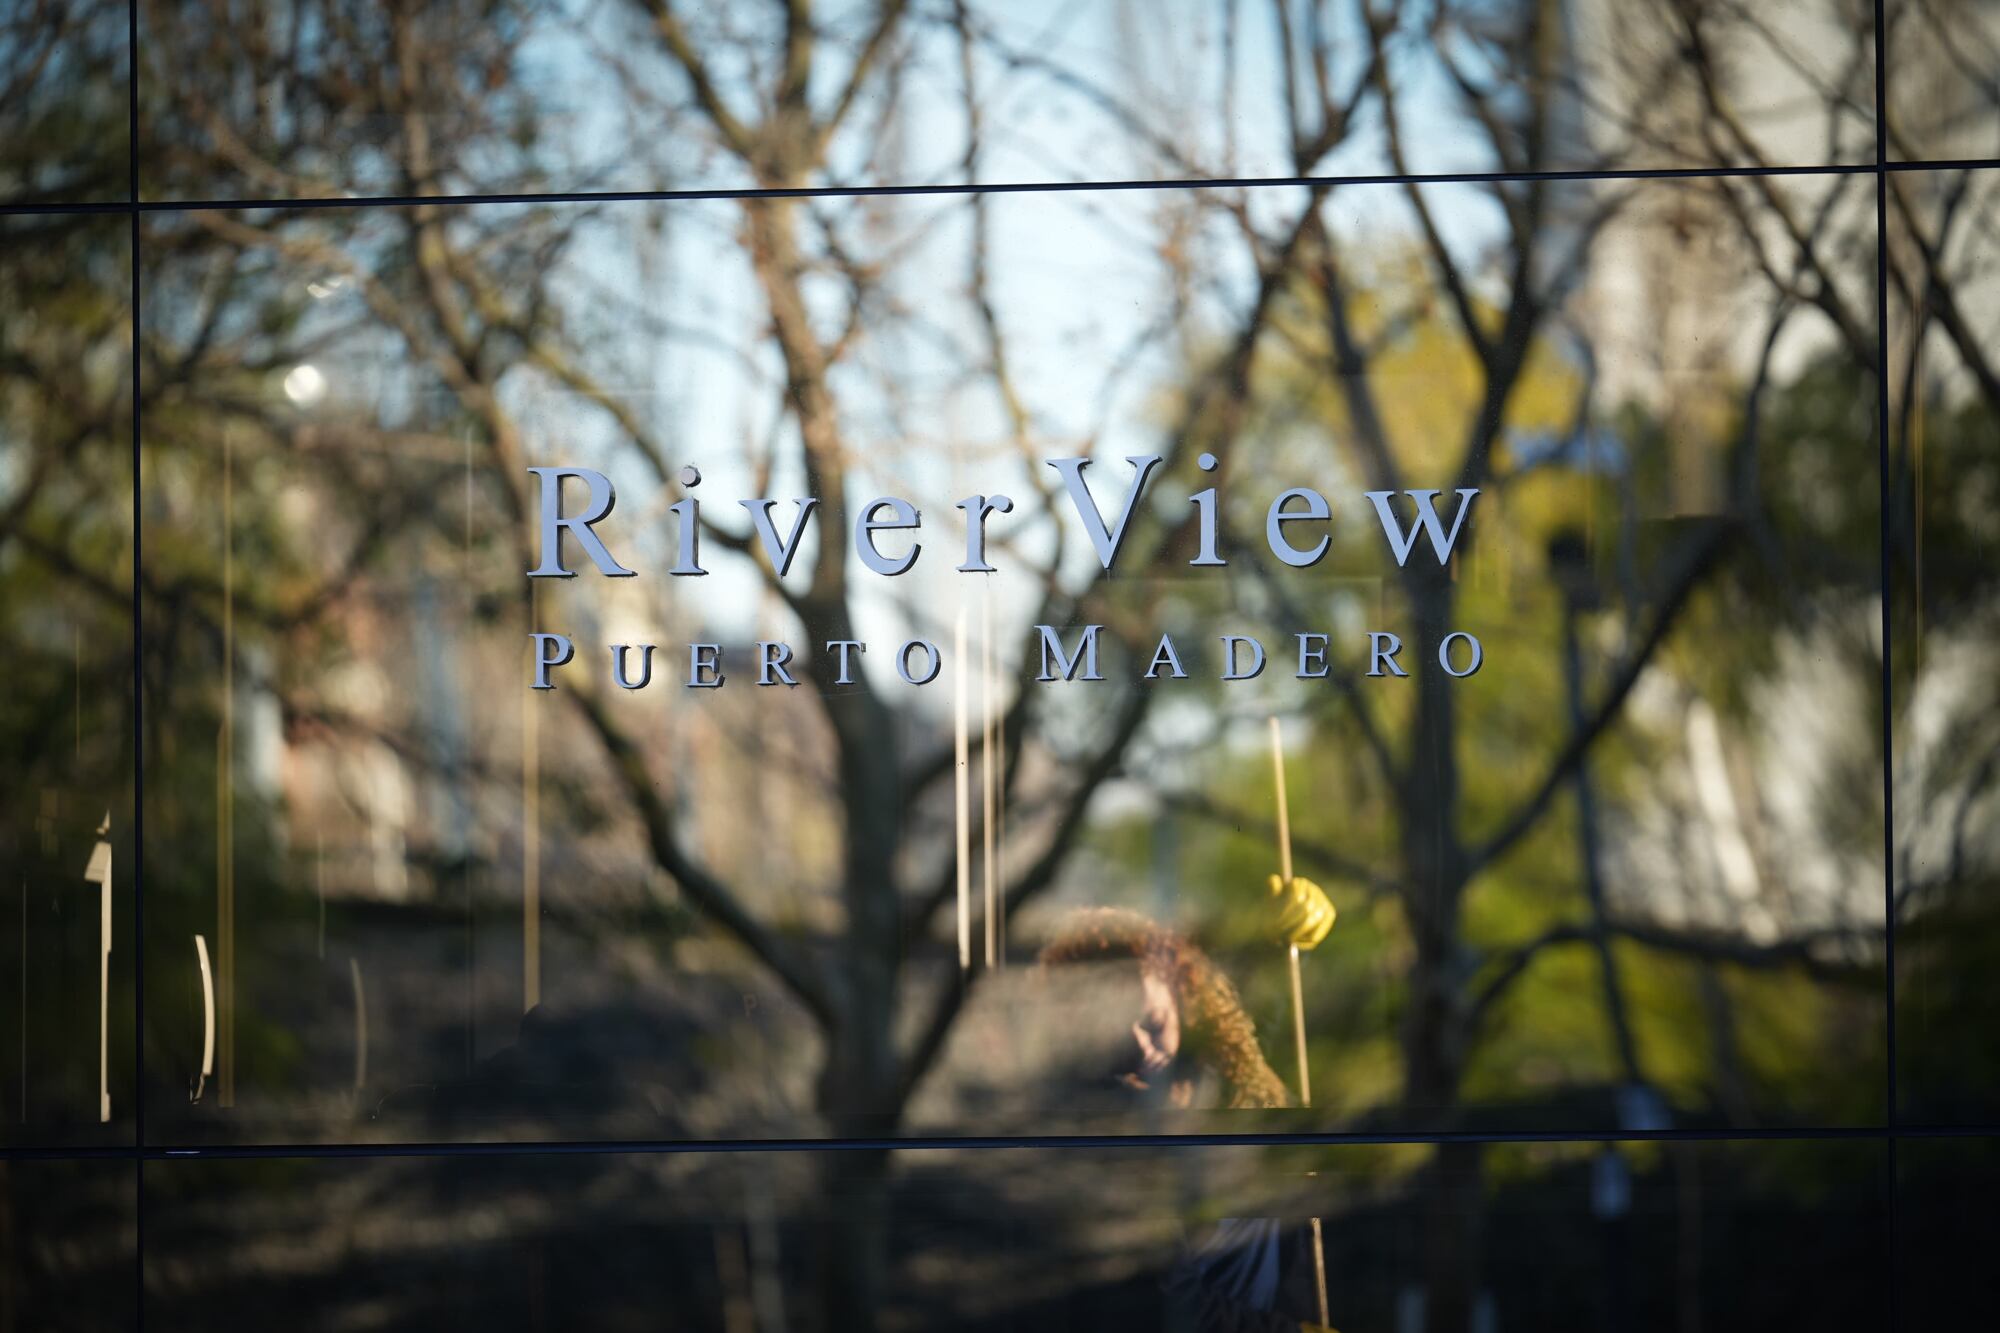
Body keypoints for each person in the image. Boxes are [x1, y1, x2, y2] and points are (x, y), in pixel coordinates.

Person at [1037, 875, 1342, 1332]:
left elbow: (1314, 1027)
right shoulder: (1092, 1150)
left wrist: (1289, 931)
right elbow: (1167, 1308)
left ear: (1184, 1004)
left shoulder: (1242, 1088)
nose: (1142, 1053)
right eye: (1115, 1042)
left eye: (1152, 1024)